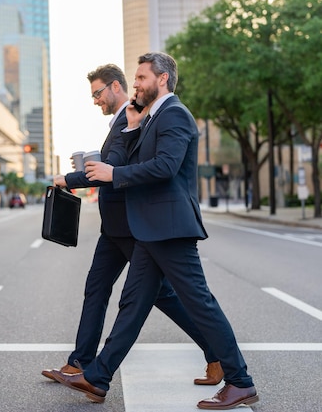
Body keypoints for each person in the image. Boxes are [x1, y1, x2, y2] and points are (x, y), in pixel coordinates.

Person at [52, 52, 258, 410]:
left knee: (201, 303)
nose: (136, 85)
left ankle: (240, 381)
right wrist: (133, 127)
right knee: (132, 305)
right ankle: (98, 377)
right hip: (150, 228)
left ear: (162, 79)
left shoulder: (175, 114)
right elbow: (139, 157)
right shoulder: (151, 118)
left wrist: (114, 174)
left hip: (170, 227)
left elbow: (165, 167)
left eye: (141, 78)